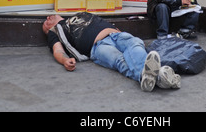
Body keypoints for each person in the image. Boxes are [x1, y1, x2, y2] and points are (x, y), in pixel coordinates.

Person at [42, 12, 181, 92]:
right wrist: (65, 60)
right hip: (97, 47)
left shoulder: (82, 14)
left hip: (116, 35)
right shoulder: (56, 32)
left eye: (49, 16)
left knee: (135, 44)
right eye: (45, 23)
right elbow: (58, 50)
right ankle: (158, 77)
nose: (47, 18)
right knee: (119, 60)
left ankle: (150, 78)